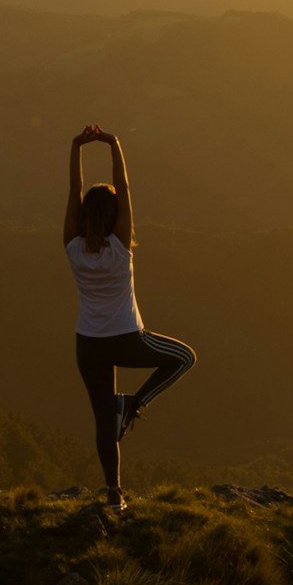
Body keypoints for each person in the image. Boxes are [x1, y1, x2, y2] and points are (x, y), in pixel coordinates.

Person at [63, 125, 195, 511]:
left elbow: (74, 191)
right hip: (126, 337)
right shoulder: (120, 247)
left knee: (104, 422)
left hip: (87, 344)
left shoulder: (72, 247)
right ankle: (134, 405)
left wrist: (76, 147)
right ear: (115, 214)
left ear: (85, 213)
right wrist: (113, 143)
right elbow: (126, 187)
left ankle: (113, 495)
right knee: (185, 358)